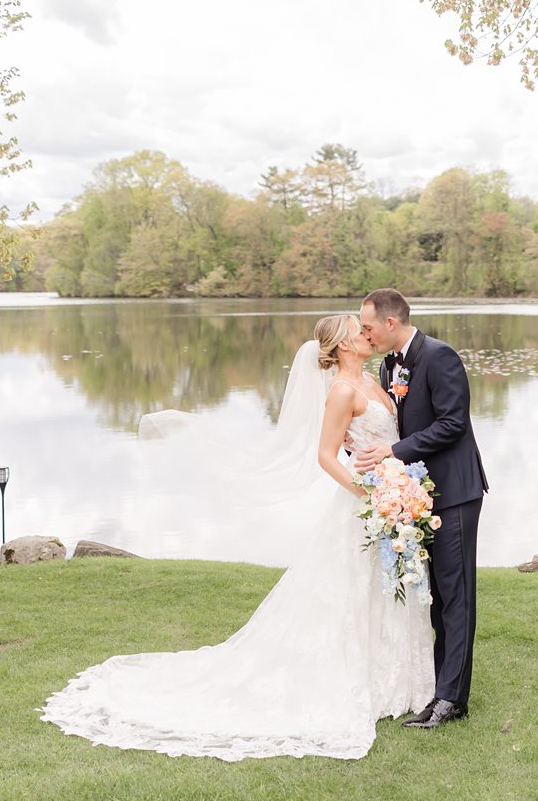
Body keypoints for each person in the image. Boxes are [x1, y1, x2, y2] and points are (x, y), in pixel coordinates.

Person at [40, 315, 433, 761]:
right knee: (356, 591)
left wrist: (396, 483)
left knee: (385, 587)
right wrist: (364, 491)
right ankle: (356, 681)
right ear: (341, 345)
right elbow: (326, 455)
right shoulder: (342, 391)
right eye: (357, 330)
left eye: (366, 329)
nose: (366, 333)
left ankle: (393, 681)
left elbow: (376, 439)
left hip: (394, 494)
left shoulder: (376, 378)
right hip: (366, 503)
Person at [356, 288, 487, 729]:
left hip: (455, 492)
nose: (364, 333)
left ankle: (453, 699)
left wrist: (393, 451)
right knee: (433, 598)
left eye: (368, 326)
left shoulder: (440, 356)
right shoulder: (389, 364)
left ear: (390, 323)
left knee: (456, 596)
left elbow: (453, 423)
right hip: (420, 495)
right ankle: (439, 689)